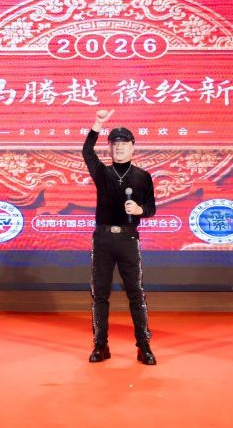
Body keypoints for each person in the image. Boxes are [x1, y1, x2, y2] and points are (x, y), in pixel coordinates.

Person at [82, 109, 158, 365]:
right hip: (103, 239)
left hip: (128, 239)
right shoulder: (102, 173)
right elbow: (87, 152)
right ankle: (100, 345)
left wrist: (139, 210)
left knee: (136, 293)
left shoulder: (142, 177)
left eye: (124, 143)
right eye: (115, 144)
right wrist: (97, 124)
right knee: (100, 294)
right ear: (110, 148)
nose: (119, 147)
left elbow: (151, 208)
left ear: (132, 147)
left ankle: (144, 347)